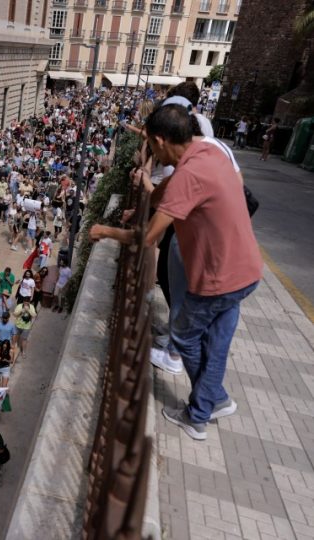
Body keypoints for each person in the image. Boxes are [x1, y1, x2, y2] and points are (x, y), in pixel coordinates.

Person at [90, 104, 262, 440]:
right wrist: (144, 200)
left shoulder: (187, 174)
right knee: (216, 343)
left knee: (185, 336)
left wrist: (105, 231)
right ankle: (217, 400)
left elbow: (148, 237)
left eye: (151, 147)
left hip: (218, 278)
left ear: (160, 140)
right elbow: (165, 196)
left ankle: (200, 412)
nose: (151, 156)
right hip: (247, 269)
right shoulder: (207, 151)